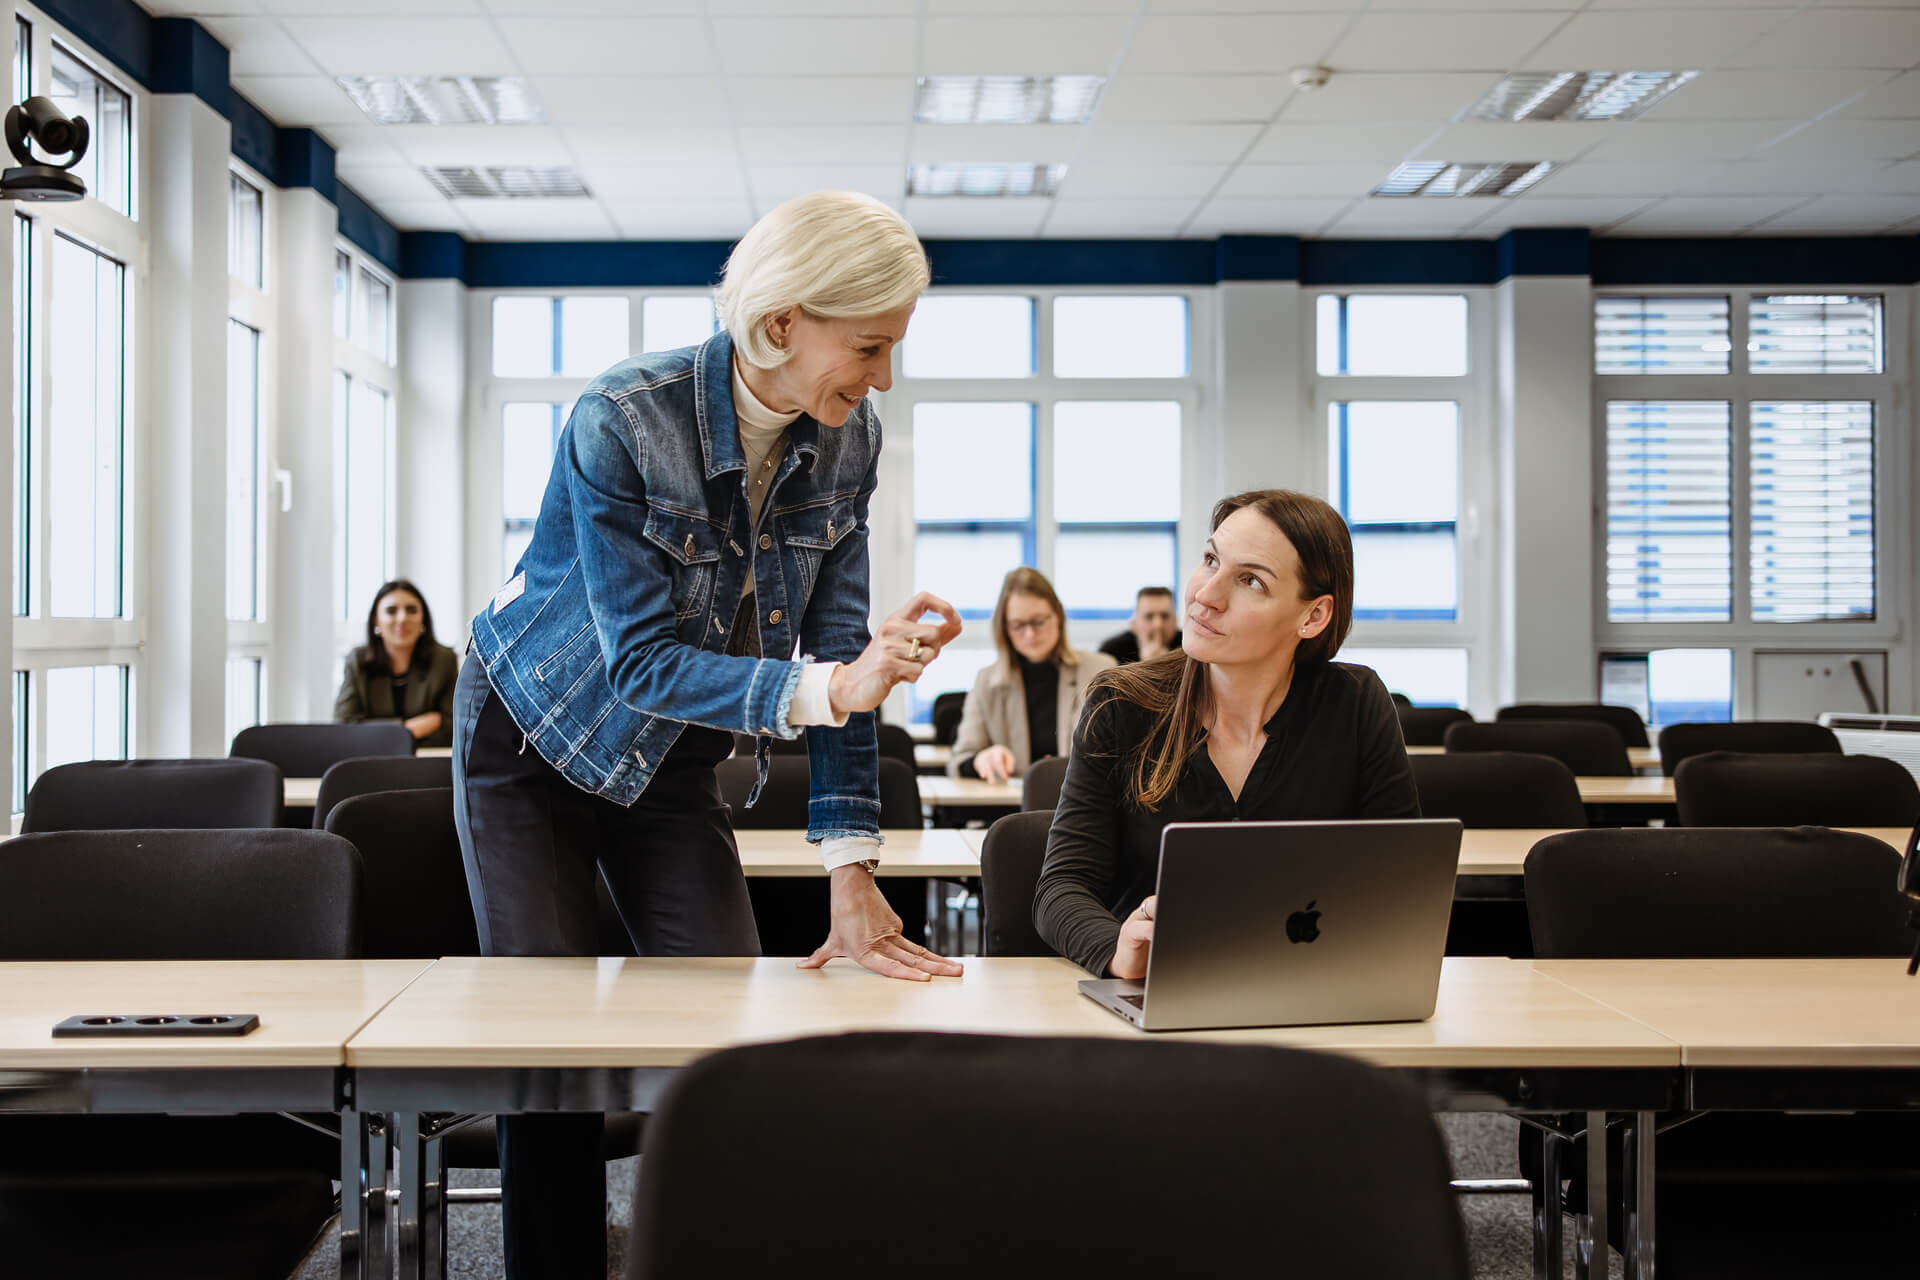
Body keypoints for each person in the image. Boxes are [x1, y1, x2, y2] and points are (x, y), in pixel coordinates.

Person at [452, 191, 963, 1279]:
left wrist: (850, 866)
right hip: (534, 738)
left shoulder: (846, 438)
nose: (882, 379)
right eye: (868, 347)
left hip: (675, 753)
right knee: (550, 1046)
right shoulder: (622, 419)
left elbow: (834, 651)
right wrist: (834, 684)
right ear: (781, 324)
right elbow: (640, 664)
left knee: (725, 1017)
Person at [1033, 489, 1419, 978]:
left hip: (1313, 983)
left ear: (1313, 616)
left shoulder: (1355, 701)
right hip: (1157, 988)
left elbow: (1404, 884)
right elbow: (1061, 888)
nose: (1204, 595)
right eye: (1210, 559)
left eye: (1250, 581)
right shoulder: (1121, 705)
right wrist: (1116, 948)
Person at [948, 567, 1115, 784]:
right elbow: (959, 761)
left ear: (1058, 615)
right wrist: (982, 759)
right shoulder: (987, 682)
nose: (1030, 634)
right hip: (1010, 811)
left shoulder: (1099, 671)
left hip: (1084, 805)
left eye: (1038, 622)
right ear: (1005, 628)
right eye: (1018, 625)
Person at [332, 578, 459, 748]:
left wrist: (376, 733)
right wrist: (406, 729)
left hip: (428, 761)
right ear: (376, 620)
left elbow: (454, 727)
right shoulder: (357, 661)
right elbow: (343, 727)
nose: (402, 618)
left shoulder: (444, 660)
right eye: (391, 611)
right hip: (369, 762)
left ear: (423, 619)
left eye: (411, 610)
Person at [1099, 585, 1181, 665]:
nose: (1158, 625)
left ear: (1175, 621)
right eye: (1149, 616)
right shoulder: (1112, 651)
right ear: (1134, 623)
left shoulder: (1188, 648)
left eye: (1165, 616)